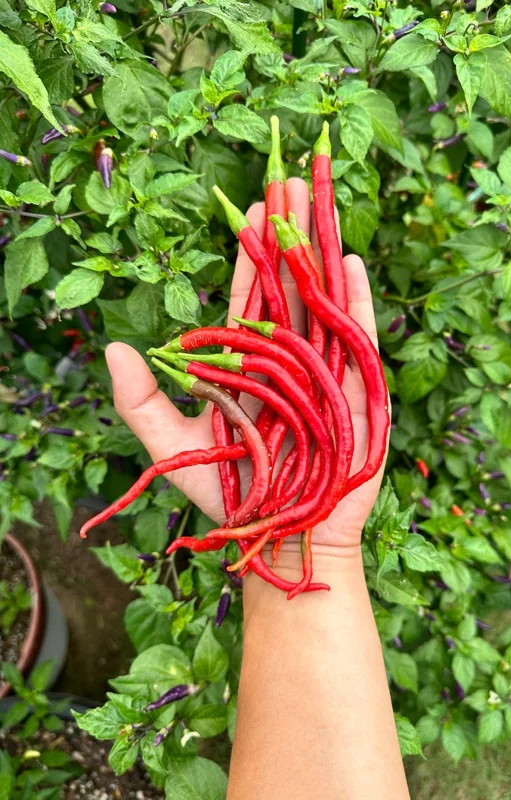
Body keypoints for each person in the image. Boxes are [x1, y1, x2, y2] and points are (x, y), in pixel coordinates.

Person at [105, 178, 411, 799]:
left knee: (305, 339)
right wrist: (306, 549)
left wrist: (301, 545)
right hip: (293, 494)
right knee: (309, 340)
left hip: (298, 490)